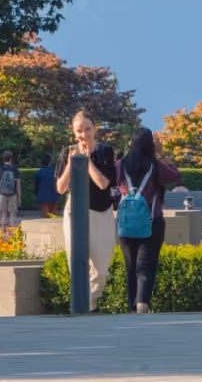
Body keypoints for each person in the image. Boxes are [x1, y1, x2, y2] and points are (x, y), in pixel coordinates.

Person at [54, 111, 120, 302]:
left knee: (100, 271)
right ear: (73, 132)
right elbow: (60, 188)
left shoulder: (105, 151)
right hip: (75, 212)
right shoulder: (67, 152)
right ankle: (82, 305)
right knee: (77, 264)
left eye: (87, 129)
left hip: (101, 212)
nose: (84, 134)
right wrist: (71, 163)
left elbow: (102, 183)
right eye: (79, 131)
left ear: (95, 127)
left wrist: (87, 160)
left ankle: (89, 303)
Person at [118, 129, 177, 314]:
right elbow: (175, 175)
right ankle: (142, 306)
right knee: (146, 267)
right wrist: (163, 154)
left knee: (130, 267)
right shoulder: (156, 166)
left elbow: (108, 181)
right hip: (153, 222)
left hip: (126, 224)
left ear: (131, 144)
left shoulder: (121, 165)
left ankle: (131, 306)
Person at [0, 151, 20, 221]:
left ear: (3, 159)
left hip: (2, 194)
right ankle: (13, 231)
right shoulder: (15, 170)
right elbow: (18, 185)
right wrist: (19, 198)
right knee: (12, 215)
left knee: (3, 215)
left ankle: (3, 231)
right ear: (11, 159)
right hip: (13, 194)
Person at [33, 153, 59, 217]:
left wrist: (36, 195)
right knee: (53, 216)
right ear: (50, 162)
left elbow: (36, 187)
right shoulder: (55, 171)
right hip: (54, 196)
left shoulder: (38, 173)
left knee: (45, 218)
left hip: (43, 197)